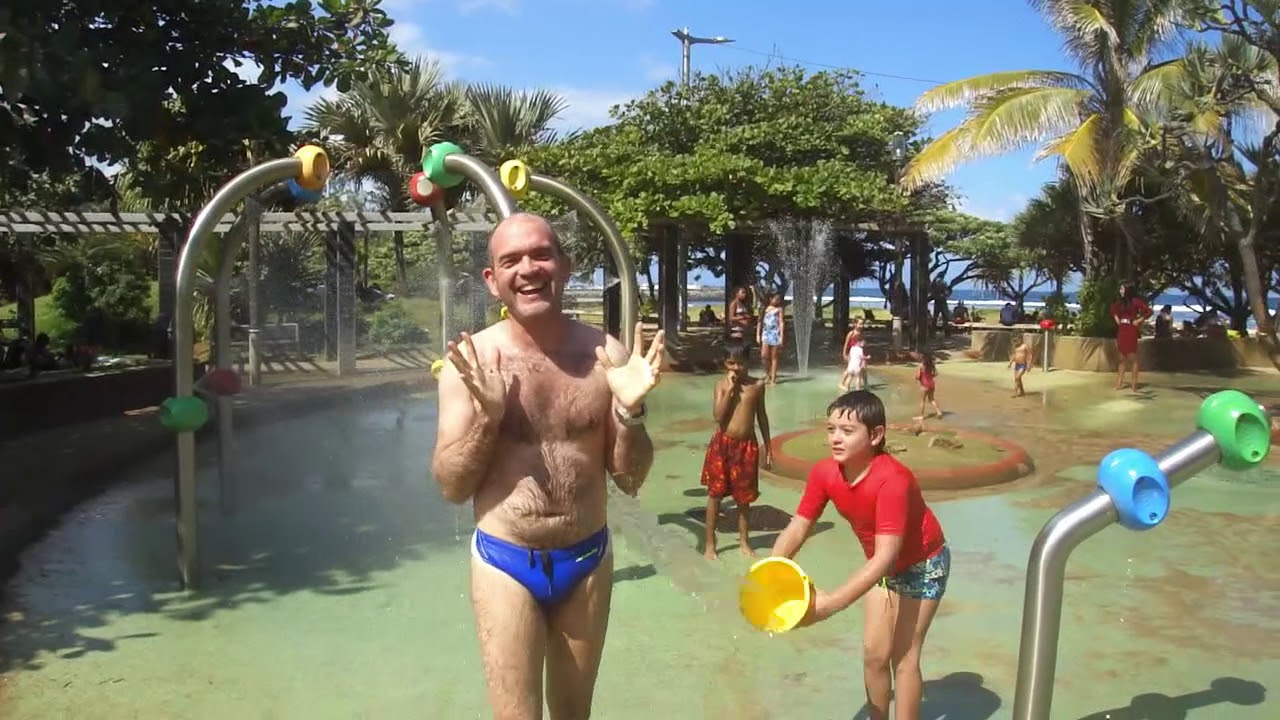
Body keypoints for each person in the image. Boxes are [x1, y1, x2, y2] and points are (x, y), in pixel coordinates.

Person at [431, 213, 666, 720]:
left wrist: (631, 413)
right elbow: (451, 486)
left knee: (573, 715)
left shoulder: (605, 355)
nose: (529, 268)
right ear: (492, 280)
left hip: (586, 561)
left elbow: (630, 478)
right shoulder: (471, 364)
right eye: (511, 260)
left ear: (565, 265)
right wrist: (488, 420)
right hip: (506, 563)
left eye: (541, 254)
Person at [771, 390, 950, 720]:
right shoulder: (825, 473)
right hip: (882, 565)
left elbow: (886, 556)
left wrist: (830, 604)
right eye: (831, 429)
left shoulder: (893, 480)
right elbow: (798, 528)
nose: (835, 438)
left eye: (847, 431)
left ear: (876, 435)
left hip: (923, 563)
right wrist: (771, 569)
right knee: (873, 655)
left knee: (904, 655)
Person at [700, 342, 772, 559]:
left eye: (740, 363)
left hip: (747, 447)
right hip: (723, 445)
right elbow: (718, 416)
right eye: (731, 363)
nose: (736, 368)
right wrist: (730, 390)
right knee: (715, 495)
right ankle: (710, 543)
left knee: (744, 498)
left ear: (748, 363)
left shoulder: (757, 386)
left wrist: (768, 447)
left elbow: (762, 417)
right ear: (725, 364)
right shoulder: (721, 386)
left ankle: (744, 541)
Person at [1111, 284, 1151, 392]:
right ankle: (1119, 383)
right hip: (1122, 330)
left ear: (1127, 290)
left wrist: (1139, 320)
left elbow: (1149, 311)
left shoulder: (1135, 301)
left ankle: (1134, 385)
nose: (1120, 290)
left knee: (1132, 358)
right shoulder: (1120, 302)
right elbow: (1113, 309)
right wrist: (1117, 319)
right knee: (1121, 358)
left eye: (1122, 289)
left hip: (1131, 330)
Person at [757, 293, 786, 384]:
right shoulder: (764, 309)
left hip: (775, 334)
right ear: (770, 298)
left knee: (774, 357)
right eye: (776, 299)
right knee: (764, 356)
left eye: (779, 299)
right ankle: (767, 374)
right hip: (765, 334)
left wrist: (781, 335)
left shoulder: (779, 309)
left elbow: (781, 322)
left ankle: (773, 379)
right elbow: (759, 322)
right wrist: (758, 334)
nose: (778, 301)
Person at [915, 352, 943, 420]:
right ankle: (939, 412)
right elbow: (936, 373)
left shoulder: (921, 366)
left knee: (922, 401)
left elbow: (918, 376)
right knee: (932, 399)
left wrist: (916, 377)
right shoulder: (932, 365)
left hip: (924, 385)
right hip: (931, 384)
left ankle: (921, 416)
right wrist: (930, 376)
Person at [840, 322, 867, 392]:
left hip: (858, 353)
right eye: (860, 324)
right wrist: (844, 354)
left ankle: (866, 385)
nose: (861, 325)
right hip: (852, 354)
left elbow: (863, 345)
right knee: (849, 370)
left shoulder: (861, 333)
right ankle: (841, 383)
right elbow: (846, 344)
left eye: (862, 324)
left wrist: (864, 357)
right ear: (855, 324)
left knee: (863, 368)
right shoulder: (851, 333)